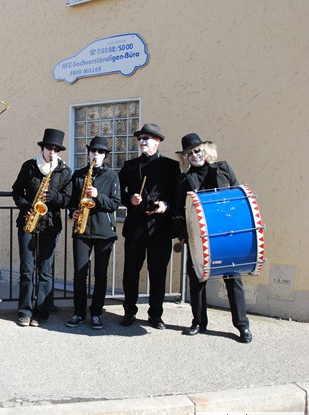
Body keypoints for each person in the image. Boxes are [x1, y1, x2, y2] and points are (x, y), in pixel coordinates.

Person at [173, 133, 252, 343]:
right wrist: (184, 235)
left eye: (197, 150)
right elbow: (178, 210)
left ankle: (242, 326)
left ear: (205, 150)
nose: (194, 155)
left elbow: (237, 197)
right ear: (185, 158)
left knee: (233, 279)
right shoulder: (183, 179)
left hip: (225, 235)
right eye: (189, 153)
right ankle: (199, 322)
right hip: (197, 238)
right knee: (197, 279)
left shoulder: (223, 168)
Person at [118, 123, 179, 329]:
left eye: (146, 138)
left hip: (160, 229)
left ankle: (155, 314)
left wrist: (165, 205)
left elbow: (177, 196)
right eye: (140, 138)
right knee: (131, 272)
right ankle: (129, 311)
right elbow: (118, 192)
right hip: (135, 228)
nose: (142, 141)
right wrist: (130, 199)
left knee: (158, 273)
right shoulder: (130, 165)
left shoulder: (171, 166)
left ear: (158, 141)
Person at [12, 128, 72, 327]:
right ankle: (24, 312)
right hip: (28, 221)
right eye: (49, 148)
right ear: (43, 148)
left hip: (50, 225)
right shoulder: (29, 166)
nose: (52, 152)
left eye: (55, 149)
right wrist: (26, 206)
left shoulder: (64, 171)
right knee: (26, 270)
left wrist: (54, 196)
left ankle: (41, 313)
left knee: (45, 271)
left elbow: (67, 200)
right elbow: (16, 191)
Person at [66, 136, 120, 329]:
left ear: (105, 155)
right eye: (93, 151)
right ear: (89, 153)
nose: (96, 154)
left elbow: (115, 203)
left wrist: (98, 196)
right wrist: (73, 212)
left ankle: (96, 312)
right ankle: (79, 313)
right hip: (82, 231)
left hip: (104, 232)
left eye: (100, 152)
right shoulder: (79, 175)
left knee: (100, 275)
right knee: (79, 274)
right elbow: (71, 202)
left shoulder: (112, 176)